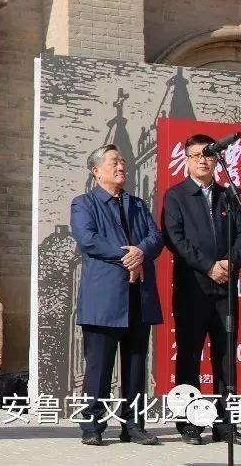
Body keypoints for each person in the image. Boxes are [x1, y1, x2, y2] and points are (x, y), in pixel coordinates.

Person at [161, 133, 241, 446]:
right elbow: (176, 239)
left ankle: (226, 424)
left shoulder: (230, 196)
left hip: (226, 287)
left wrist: (230, 261)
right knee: (189, 356)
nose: (203, 159)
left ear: (217, 160)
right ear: (186, 160)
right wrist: (208, 266)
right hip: (193, 289)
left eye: (209, 154)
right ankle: (189, 423)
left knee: (226, 356)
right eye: (196, 155)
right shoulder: (176, 197)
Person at [69, 144, 162, 446]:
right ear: (96, 171)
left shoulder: (137, 204)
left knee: (136, 364)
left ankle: (133, 425)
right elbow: (88, 239)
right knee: (99, 366)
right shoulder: (84, 204)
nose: (121, 167)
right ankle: (92, 426)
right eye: (113, 162)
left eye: (122, 162)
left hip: (138, 295)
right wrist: (128, 255)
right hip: (104, 298)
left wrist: (141, 251)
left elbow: (155, 237)